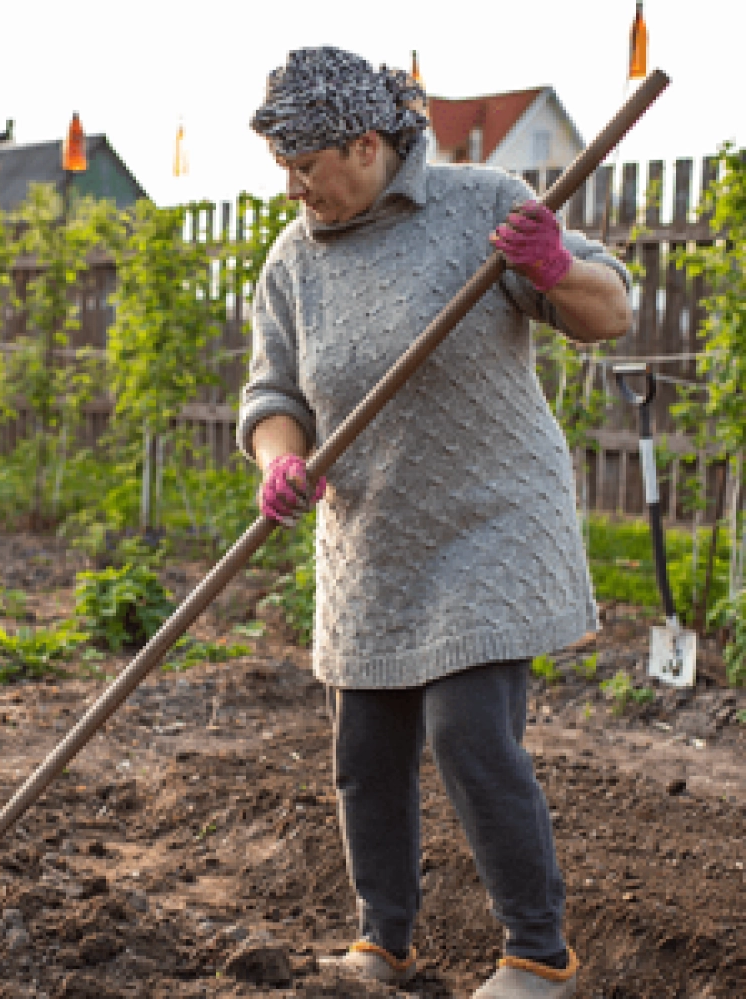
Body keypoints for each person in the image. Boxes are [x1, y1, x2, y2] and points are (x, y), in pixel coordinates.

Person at [237, 47, 632, 999]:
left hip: (491, 511)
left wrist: (552, 267)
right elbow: (274, 391)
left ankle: (539, 955)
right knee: (365, 751)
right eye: (279, 166)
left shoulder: (476, 200)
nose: (291, 186)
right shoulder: (292, 258)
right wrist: (281, 457)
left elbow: (608, 309)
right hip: (374, 533)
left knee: (467, 732)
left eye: (304, 165)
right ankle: (386, 943)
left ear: (366, 144)